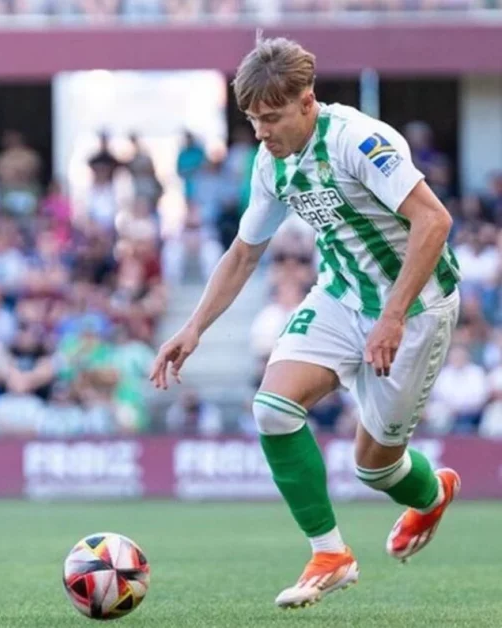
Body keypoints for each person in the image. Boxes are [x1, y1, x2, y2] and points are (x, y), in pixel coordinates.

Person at [150, 35, 462, 610]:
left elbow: (434, 221)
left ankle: (432, 491)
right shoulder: (272, 163)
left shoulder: (358, 142)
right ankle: (330, 554)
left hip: (415, 308)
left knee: (376, 469)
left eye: (271, 118)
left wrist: (392, 316)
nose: (262, 132)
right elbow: (244, 252)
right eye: (252, 120)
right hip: (341, 295)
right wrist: (193, 329)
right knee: (271, 409)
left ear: (307, 102)